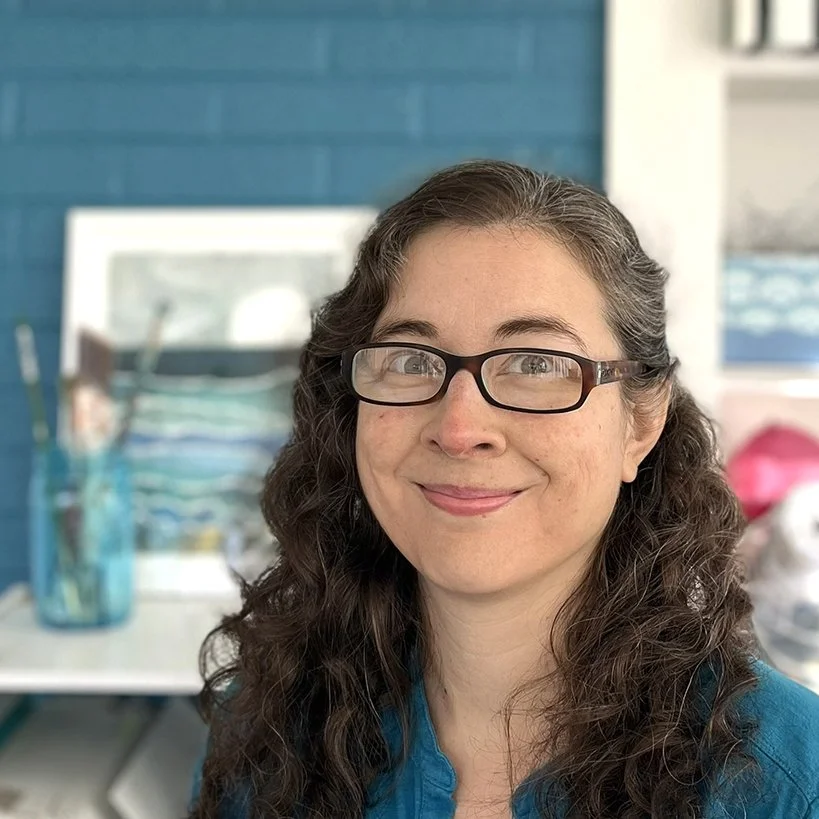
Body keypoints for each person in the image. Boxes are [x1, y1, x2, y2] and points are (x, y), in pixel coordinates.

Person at [188, 160, 819, 819]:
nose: (460, 428)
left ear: (640, 421)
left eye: (535, 364)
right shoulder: (262, 733)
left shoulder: (787, 779)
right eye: (409, 359)